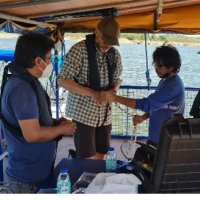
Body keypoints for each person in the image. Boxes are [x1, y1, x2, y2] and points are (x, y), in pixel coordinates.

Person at [0, 32, 77, 193]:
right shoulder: (21, 89)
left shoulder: (28, 80)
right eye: (49, 59)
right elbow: (32, 134)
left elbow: (30, 120)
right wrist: (62, 129)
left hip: (37, 172)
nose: (51, 63)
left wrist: (54, 122)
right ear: (37, 61)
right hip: (26, 179)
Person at [58, 18, 123, 160]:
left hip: (105, 116)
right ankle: (86, 181)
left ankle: (96, 179)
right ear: (97, 32)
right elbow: (62, 80)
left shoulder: (115, 55)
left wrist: (113, 91)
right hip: (84, 115)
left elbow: (117, 79)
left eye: (111, 41)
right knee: (86, 158)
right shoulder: (79, 50)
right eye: (105, 39)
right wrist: (92, 93)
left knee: (101, 155)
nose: (108, 44)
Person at [102, 45, 185, 145]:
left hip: (166, 142)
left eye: (160, 66)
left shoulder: (173, 86)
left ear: (171, 67)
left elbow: (146, 105)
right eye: (155, 65)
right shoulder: (165, 81)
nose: (156, 69)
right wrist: (143, 117)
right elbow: (158, 106)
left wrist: (114, 97)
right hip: (156, 138)